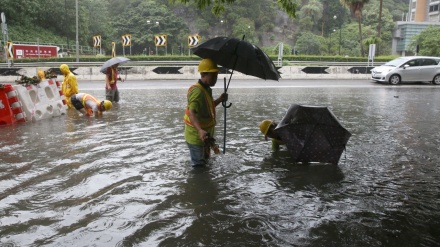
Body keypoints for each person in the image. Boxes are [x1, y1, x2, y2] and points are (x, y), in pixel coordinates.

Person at [183, 58, 227, 167]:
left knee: (206, 163)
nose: (215, 79)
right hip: (197, 137)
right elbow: (191, 113)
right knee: (199, 167)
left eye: (216, 75)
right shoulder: (197, 91)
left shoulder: (206, 89)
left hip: (206, 136)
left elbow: (208, 108)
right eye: (213, 76)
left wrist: (220, 99)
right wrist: (200, 130)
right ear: (203, 74)